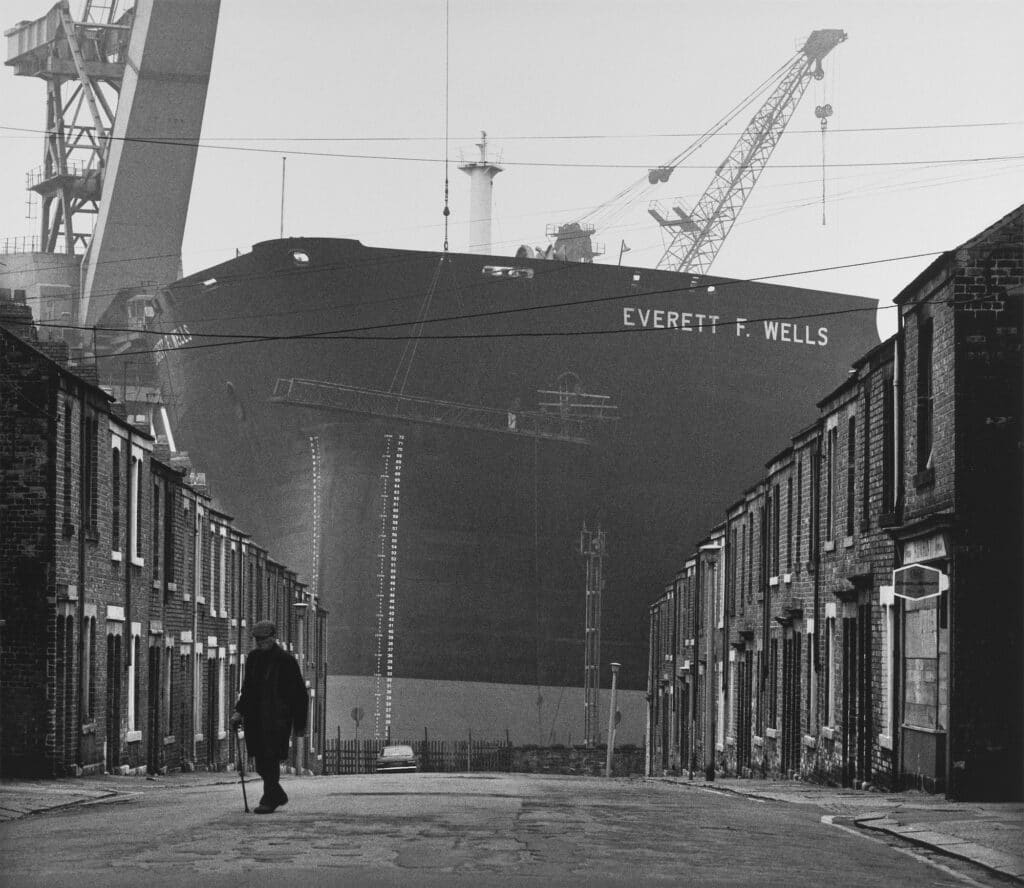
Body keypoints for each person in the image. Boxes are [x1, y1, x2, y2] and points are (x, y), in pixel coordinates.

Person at [229, 620, 308, 814]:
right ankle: (277, 794)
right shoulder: (254, 659)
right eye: (257, 639)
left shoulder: (286, 661)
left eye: (263, 639)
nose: (260, 643)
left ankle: (269, 800)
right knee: (260, 762)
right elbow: (247, 689)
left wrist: (299, 724)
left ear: (273, 637)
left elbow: (300, 694)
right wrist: (239, 711)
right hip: (255, 719)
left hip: (277, 719)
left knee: (270, 758)